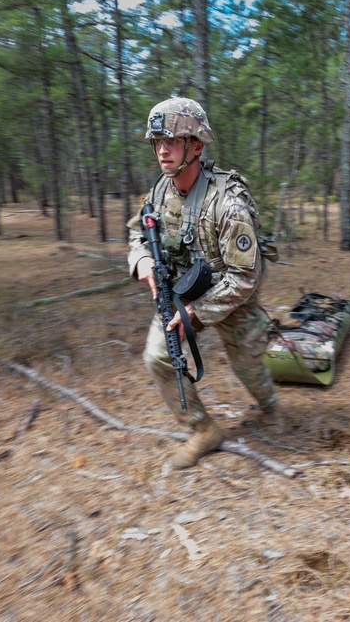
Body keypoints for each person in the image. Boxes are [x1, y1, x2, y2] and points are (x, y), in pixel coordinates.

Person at [127, 97, 285, 469]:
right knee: (158, 357)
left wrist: (198, 311)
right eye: (157, 143)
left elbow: (245, 277)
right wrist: (143, 261)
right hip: (182, 291)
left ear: (196, 145)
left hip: (231, 297)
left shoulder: (228, 204)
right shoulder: (160, 192)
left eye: (173, 141)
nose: (162, 150)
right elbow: (137, 232)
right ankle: (203, 431)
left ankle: (270, 406)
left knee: (249, 368)